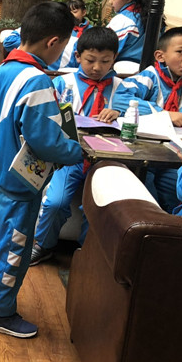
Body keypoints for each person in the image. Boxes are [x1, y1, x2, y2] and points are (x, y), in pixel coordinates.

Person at [0, 1, 82, 338]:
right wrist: (75, 150)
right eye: (64, 46)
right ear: (53, 42)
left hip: (1, 167)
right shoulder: (38, 82)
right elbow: (44, 142)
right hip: (24, 179)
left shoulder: (0, 70)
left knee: (1, 230)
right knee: (17, 244)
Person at [30, 27, 123, 265]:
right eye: (91, 60)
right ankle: (44, 244)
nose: (97, 67)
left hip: (107, 160)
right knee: (55, 202)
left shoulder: (121, 88)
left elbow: (136, 113)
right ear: (78, 56)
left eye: (105, 61)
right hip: (70, 158)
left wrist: (119, 112)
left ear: (114, 58)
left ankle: (88, 253)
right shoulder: (62, 83)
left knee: (102, 206)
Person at [112, 26, 182, 211]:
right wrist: (165, 114)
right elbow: (121, 99)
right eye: (180, 52)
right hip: (144, 153)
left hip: (177, 155)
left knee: (174, 192)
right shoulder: (149, 77)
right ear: (160, 56)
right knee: (147, 196)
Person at [106, 0, 153, 64]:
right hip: (146, 67)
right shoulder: (149, 15)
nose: (110, 1)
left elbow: (105, 51)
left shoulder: (123, 20)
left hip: (121, 68)